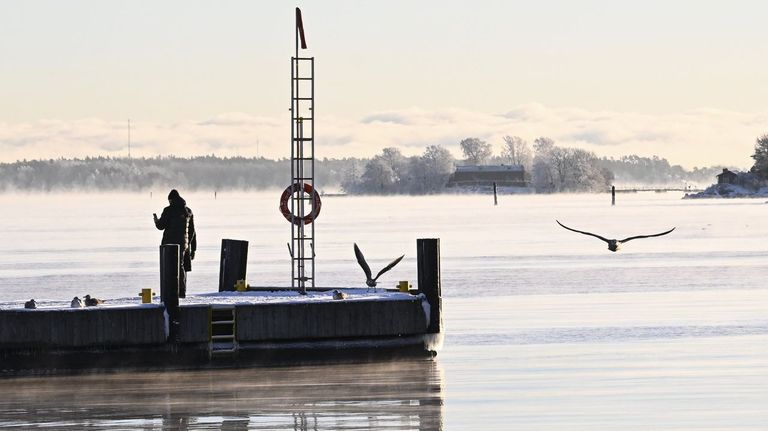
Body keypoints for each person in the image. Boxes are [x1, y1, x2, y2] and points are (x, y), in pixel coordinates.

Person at [154, 189, 196, 298]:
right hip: (185, 245)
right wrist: (192, 248)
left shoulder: (168, 210)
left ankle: (174, 292)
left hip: (170, 244)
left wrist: (156, 220)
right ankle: (182, 291)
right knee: (182, 266)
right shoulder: (188, 211)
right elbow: (192, 231)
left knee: (170, 267)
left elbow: (161, 226)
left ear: (171, 200)